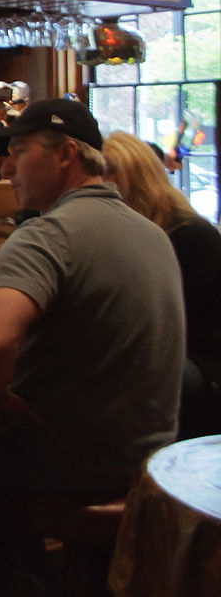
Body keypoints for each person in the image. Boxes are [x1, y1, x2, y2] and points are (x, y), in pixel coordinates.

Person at [0, 99, 184, 495]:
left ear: (67, 154)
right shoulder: (154, 233)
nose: (5, 168)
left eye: (18, 153)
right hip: (150, 459)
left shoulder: (45, 237)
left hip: (70, 464)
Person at [103, 130, 221, 438]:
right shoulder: (151, 229)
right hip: (177, 354)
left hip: (204, 365)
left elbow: (168, 329)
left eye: (106, 174)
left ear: (130, 178)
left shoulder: (188, 234)